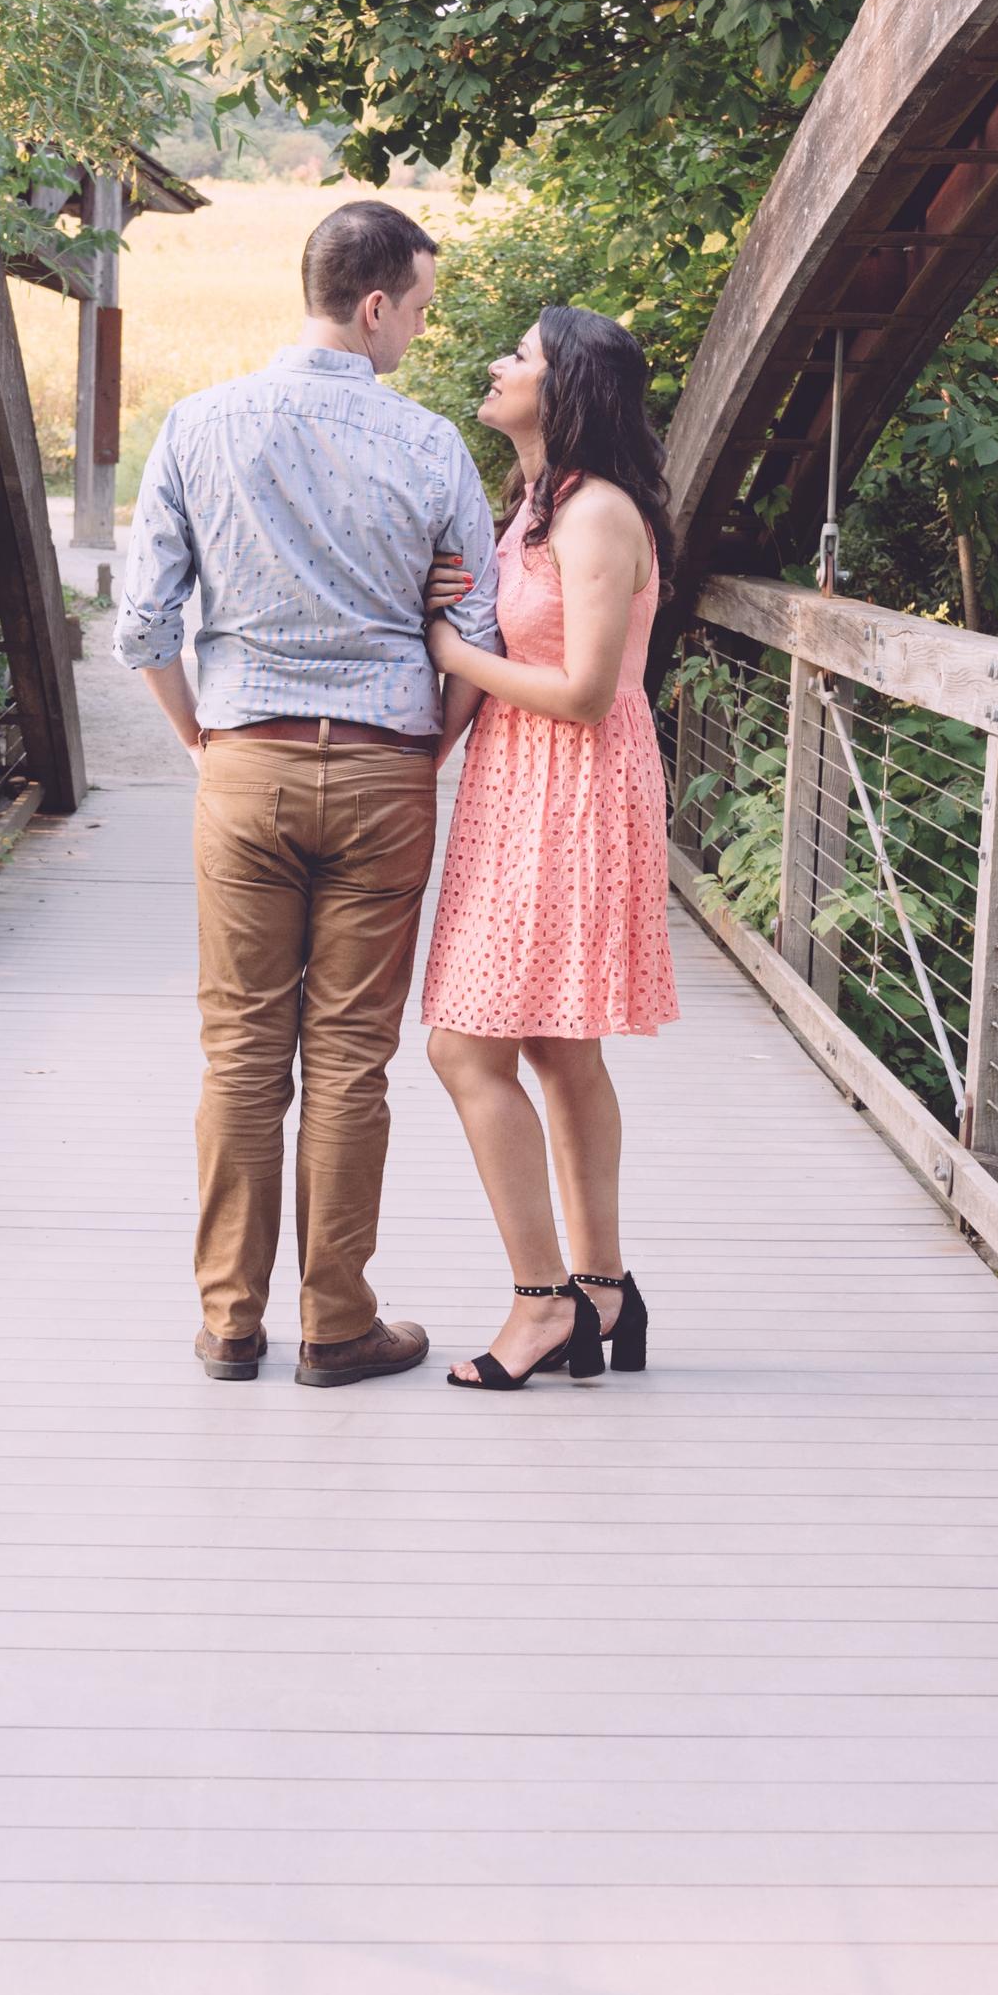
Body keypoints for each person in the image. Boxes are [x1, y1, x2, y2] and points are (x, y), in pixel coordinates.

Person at [114, 199, 504, 1387]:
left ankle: (230, 1319)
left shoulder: (197, 425)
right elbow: (475, 623)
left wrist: (205, 740)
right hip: (387, 769)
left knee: (240, 1052)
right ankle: (337, 1325)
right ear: (374, 304)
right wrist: (421, 756)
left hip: (247, 762)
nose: (420, 337)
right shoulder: (434, 447)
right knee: (349, 1058)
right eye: (421, 311)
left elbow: (142, 623)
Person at [417, 306, 678, 1391]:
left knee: (464, 1047)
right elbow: (520, 635)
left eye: (518, 356)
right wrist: (457, 610)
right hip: (518, 784)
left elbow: (582, 691)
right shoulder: (535, 506)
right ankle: (604, 1290)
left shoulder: (599, 514)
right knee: (559, 1048)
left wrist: (446, 646)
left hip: (571, 789)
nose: (497, 364)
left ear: (564, 387)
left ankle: (542, 1306)